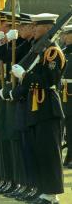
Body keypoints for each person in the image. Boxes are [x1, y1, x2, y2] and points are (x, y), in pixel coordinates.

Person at [7, 13, 65, 204]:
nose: (32, 29)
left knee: (48, 152)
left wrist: (24, 76)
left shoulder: (53, 53)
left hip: (47, 107)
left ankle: (52, 193)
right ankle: (42, 190)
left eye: (36, 26)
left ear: (47, 28)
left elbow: (49, 80)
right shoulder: (39, 51)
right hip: (35, 107)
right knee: (38, 151)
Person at [61, 25, 72, 170]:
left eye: (67, 34)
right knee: (66, 125)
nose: (64, 36)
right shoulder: (63, 52)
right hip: (63, 92)